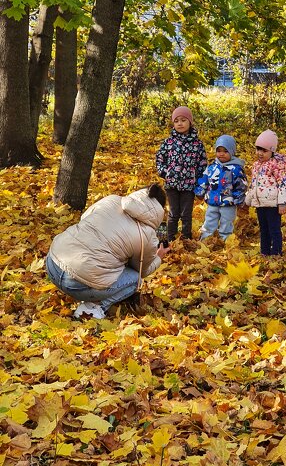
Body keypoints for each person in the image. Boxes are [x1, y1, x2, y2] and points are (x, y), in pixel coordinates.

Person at [45, 183, 171, 319]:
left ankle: (87, 293)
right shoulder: (147, 235)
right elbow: (142, 270)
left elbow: (85, 218)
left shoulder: (111, 200)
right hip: (75, 283)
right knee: (136, 279)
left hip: (53, 262)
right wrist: (158, 257)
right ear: (160, 210)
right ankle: (93, 309)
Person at [156, 106, 207, 241]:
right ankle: (170, 238)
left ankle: (186, 238)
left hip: (189, 185)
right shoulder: (169, 142)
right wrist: (164, 172)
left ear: (190, 122)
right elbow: (160, 158)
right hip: (172, 184)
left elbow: (202, 163)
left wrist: (199, 181)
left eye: (183, 120)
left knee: (186, 214)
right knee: (173, 213)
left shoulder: (197, 144)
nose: (180, 123)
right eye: (176, 121)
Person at [245, 129, 286, 256]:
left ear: (272, 151)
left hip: (273, 204)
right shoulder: (256, 165)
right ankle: (264, 252)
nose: (260, 153)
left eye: (264, 150)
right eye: (258, 149)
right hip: (260, 204)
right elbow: (253, 184)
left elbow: (283, 183)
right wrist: (248, 200)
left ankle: (276, 253)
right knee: (263, 229)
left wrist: (282, 203)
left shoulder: (277, 165)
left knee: (274, 230)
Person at [195, 134, 247, 241]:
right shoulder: (212, 167)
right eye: (219, 151)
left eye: (225, 151)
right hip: (212, 201)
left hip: (229, 203)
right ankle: (206, 238)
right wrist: (200, 191)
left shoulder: (236, 169)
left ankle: (225, 239)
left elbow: (241, 186)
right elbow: (204, 179)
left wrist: (239, 199)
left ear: (232, 152)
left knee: (227, 222)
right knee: (209, 220)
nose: (221, 154)